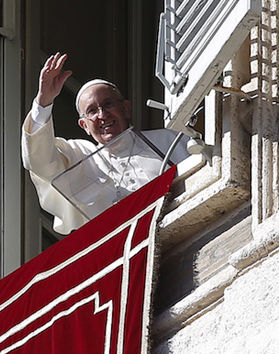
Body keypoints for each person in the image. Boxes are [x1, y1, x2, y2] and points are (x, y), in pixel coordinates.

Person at [21, 52, 189, 234]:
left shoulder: (169, 140)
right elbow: (39, 160)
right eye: (92, 111)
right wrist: (43, 102)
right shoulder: (80, 156)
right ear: (84, 125)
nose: (102, 115)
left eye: (108, 104)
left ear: (125, 108)